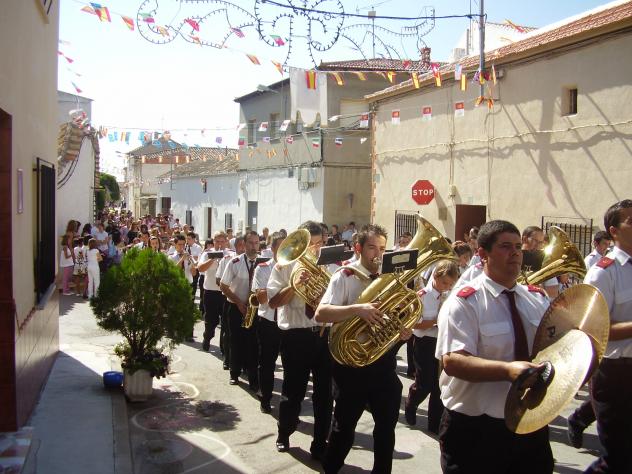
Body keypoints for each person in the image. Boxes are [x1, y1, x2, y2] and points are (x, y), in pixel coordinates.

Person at [436, 220, 553, 473]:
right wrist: (508, 371)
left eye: (518, 247)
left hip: (530, 422)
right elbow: (453, 361)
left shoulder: (537, 298)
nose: (515, 253)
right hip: (476, 428)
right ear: (482, 254)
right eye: (505, 246)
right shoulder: (464, 301)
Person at [316, 224, 411, 473]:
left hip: (382, 362)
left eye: (382, 248)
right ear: (358, 248)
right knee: (343, 428)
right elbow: (321, 313)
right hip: (351, 366)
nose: (378, 254)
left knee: (386, 430)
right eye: (372, 248)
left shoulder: (389, 278)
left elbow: (396, 316)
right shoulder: (344, 276)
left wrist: (402, 332)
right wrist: (357, 309)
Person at [267, 221, 332, 459]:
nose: (315, 249)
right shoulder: (283, 266)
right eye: (310, 244)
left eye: (319, 243)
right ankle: (284, 433)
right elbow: (273, 302)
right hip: (296, 337)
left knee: (324, 395)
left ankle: (320, 443)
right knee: (293, 392)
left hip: (323, 335)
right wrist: (295, 285)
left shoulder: (330, 265)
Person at [583, 200, 632, 473]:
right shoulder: (603, 272)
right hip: (616, 374)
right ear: (614, 231)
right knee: (617, 460)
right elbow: (594, 329)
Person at [405, 259, 459, 434]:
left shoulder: (450, 296)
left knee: (438, 386)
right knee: (424, 383)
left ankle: (434, 423)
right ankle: (411, 401)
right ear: (435, 276)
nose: (447, 287)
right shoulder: (422, 296)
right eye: (444, 283)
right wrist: (437, 321)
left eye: (450, 284)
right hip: (424, 343)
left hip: (442, 343)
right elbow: (414, 324)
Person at [220, 231, 260, 390]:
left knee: (253, 344)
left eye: (256, 243)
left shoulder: (263, 263)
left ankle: (253, 378)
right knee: (235, 341)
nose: (254, 246)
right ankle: (234, 373)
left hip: (254, 309)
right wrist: (238, 303)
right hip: (236, 307)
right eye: (250, 243)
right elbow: (223, 285)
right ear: (244, 244)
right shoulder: (235, 262)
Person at [252, 232, 285, 414]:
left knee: (292, 366)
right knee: (267, 363)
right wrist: (281, 284)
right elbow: (262, 298)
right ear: (272, 249)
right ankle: (265, 397)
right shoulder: (263, 268)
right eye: (281, 247)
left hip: (289, 324)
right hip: (269, 323)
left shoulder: (295, 268)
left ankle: (288, 406)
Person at [197, 232, 229, 351]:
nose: (220, 244)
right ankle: (207, 338)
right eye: (217, 241)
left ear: (226, 242)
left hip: (224, 292)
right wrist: (212, 259)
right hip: (210, 291)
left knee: (225, 322)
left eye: (222, 241)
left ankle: (224, 347)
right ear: (213, 242)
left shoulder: (230, 254)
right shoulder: (207, 253)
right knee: (211, 320)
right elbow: (200, 268)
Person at [169, 235, 198, 341]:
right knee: (176, 309)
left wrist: (193, 265)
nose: (181, 247)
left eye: (183, 244)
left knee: (189, 310)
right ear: (175, 245)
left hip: (188, 284)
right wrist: (182, 259)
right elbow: (173, 270)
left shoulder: (188, 256)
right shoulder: (171, 256)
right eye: (179, 244)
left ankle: (189, 334)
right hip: (176, 285)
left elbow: (193, 274)